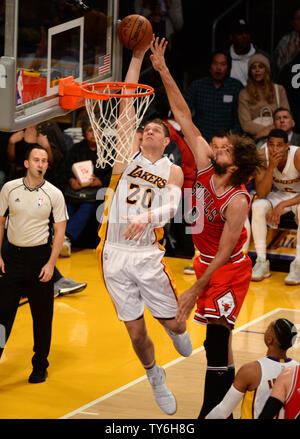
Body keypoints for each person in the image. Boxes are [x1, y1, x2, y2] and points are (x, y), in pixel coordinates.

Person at [150, 37, 263, 418]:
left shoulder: (238, 201)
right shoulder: (202, 163)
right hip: (204, 262)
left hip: (229, 270)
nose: (217, 149)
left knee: (215, 342)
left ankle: (209, 413)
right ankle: (225, 412)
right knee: (221, 343)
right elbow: (183, 115)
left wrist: (194, 289)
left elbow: (227, 251)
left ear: (235, 166)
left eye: (226, 150)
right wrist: (164, 70)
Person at [96, 42, 192, 416]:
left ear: (166, 140)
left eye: (156, 130)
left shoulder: (172, 170)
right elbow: (125, 103)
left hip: (147, 254)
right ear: (138, 137)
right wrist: (136, 58)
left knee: (175, 324)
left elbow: (171, 206)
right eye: (145, 129)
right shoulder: (125, 157)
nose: (149, 132)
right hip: (114, 255)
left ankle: (173, 330)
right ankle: (154, 376)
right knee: (136, 333)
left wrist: (146, 218)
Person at [0, 144, 68, 383]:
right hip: (12, 259)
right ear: (27, 163)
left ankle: (40, 364)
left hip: (39, 259)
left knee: (42, 317)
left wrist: (51, 264)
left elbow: (60, 230)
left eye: (44, 160)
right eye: (36, 160)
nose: (40, 164)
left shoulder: (54, 193)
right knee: (2, 316)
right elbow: (0, 222)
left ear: (47, 166)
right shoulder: (9, 188)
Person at [205, 318, 298, 419]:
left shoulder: (251, 371)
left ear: (269, 339)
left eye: (267, 328)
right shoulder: (297, 370)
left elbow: (222, 412)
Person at [251, 129, 300, 285]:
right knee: (258, 205)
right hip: (278, 194)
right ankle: (261, 261)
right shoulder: (262, 155)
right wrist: (271, 167)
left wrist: (283, 205)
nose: (275, 149)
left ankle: (298, 264)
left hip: (297, 196)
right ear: (267, 145)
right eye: (271, 145)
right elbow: (262, 193)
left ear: (287, 146)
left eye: (279, 145)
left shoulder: (297, 156)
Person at [61, 114, 112, 257]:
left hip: (96, 193)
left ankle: (66, 237)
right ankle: (61, 237)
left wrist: (100, 181)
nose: (94, 134)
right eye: (90, 130)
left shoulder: (108, 150)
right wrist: (72, 180)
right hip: (75, 192)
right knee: (68, 205)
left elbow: (113, 174)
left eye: (97, 130)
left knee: (88, 206)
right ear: (84, 132)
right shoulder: (76, 149)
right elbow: (64, 170)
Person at [184, 50, 243, 143]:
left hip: (227, 140)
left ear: (228, 68)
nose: (219, 68)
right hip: (200, 139)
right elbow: (184, 110)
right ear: (210, 66)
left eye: (223, 64)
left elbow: (240, 118)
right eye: (215, 63)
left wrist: (232, 138)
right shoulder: (198, 85)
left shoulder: (235, 87)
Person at [238, 54, 290, 141]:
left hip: (278, 137)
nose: (257, 70)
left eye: (261, 67)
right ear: (250, 71)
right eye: (254, 67)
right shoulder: (244, 93)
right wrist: (265, 131)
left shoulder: (279, 89)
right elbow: (245, 124)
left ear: (267, 70)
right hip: (255, 138)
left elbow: (286, 117)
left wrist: (269, 130)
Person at [228, 18, 269, 87]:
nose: (244, 36)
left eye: (247, 32)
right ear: (231, 37)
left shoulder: (264, 58)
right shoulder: (225, 59)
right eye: (240, 33)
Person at [272, 7, 300, 80]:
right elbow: (278, 66)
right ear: (293, 22)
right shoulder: (286, 40)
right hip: (290, 81)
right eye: (298, 18)